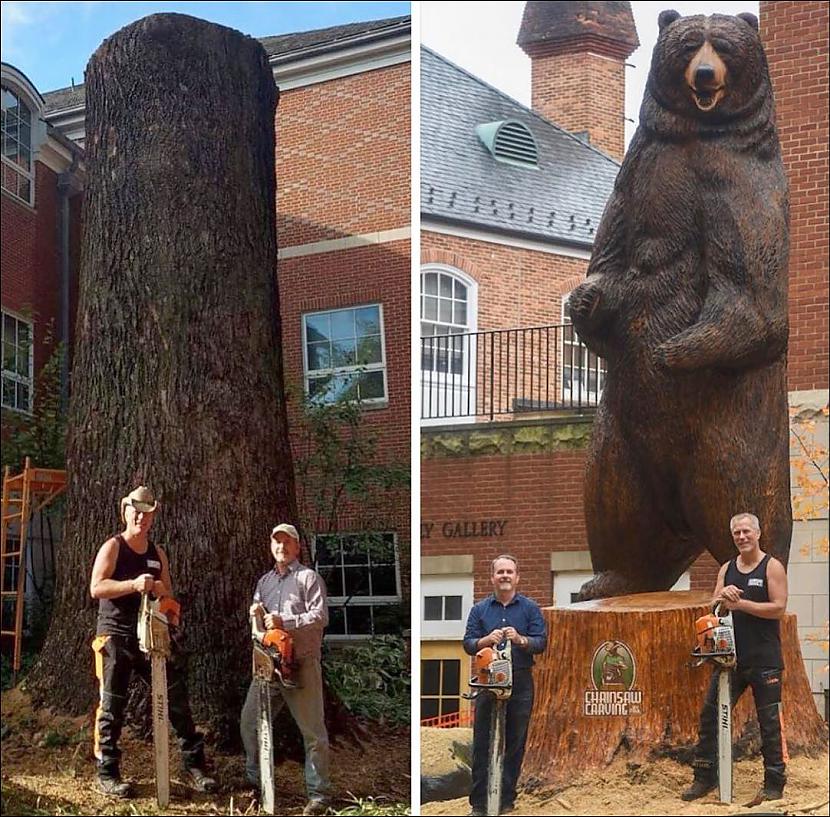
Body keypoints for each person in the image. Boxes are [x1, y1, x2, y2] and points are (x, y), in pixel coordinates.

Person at [89, 485, 216, 799]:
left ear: (153, 517)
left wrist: (166, 603)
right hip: (116, 634)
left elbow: (168, 595)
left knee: (175, 697)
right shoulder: (114, 547)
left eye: (147, 514)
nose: (141, 519)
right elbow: (96, 587)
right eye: (136, 512)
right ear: (126, 512)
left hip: (151, 636)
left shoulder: (157, 553)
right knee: (112, 705)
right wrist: (133, 584)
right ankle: (107, 771)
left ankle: (195, 765)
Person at [682, 512, 788, 803]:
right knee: (710, 715)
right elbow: (715, 605)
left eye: (746, 532)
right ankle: (704, 777)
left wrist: (741, 604)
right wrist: (722, 597)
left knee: (769, 723)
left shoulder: (772, 567)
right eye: (737, 533)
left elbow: (778, 607)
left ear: (757, 533)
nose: (742, 537)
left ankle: (774, 784)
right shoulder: (727, 568)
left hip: (765, 659)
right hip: (730, 660)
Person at [240, 523, 331, 817]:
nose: (281, 547)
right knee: (249, 722)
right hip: (268, 665)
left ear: (297, 547)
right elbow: (258, 630)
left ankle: (318, 796)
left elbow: (320, 617)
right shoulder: (264, 582)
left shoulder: (308, 578)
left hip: (301, 663)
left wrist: (284, 622)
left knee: (313, 732)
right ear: (271, 546)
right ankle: (255, 785)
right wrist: (256, 618)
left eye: (287, 542)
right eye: (277, 542)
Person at [463, 554, 548, 817]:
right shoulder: (480, 610)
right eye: (500, 572)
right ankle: (479, 803)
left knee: (515, 741)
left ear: (517, 577)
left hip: (520, 679)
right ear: (492, 577)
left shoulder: (530, 609)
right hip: (488, 679)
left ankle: (506, 800)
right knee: (482, 742)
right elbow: (467, 643)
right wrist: (485, 640)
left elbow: (541, 642)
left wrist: (521, 639)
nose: (505, 576)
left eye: (509, 572)